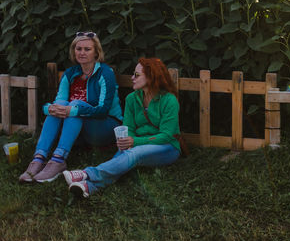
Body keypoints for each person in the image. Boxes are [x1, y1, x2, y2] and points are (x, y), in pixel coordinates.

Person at [63, 57, 181, 198]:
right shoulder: (132, 98)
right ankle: (89, 187)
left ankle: (87, 173)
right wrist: (127, 141)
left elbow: (167, 135)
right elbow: (128, 127)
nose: (132, 78)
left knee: (132, 154)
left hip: (167, 147)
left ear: (151, 77)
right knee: (125, 156)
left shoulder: (169, 100)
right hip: (137, 143)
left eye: (137, 75)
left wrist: (134, 142)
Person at [19, 32, 122, 183]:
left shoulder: (105, 73)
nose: (82, 52)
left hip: (105, 127)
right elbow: (59, 101)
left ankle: (58, 160)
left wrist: (74, 110)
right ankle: (38, 159)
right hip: (77, 129)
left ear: (96, 52)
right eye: (78, 48)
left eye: (87, 49)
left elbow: (102, 111)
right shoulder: (70, 73)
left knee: (75, 105)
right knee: (60, 105)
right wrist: (49, 109)